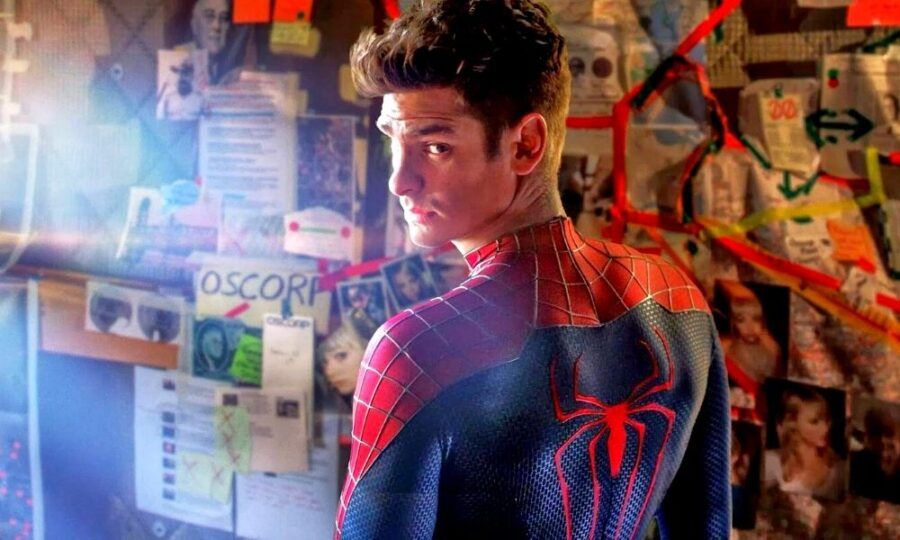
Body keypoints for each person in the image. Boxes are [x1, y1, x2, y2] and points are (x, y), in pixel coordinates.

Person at [337, 1, 731, 538]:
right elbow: (708, 528)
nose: (399, 180)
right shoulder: (679, 300)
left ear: (525, 145)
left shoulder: (415, 349)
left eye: (435, 146)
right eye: (393, 139)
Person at [764, 386, 844, 499]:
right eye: (814, 421)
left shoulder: (839, 469)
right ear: (793, 423)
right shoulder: (771, 461)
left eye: (827, 420)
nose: (826, 428)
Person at [717, 280, 781, 383]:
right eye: (741, 320)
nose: (750, 327)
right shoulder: (724, 349)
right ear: (734, 323)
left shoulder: (773, 349)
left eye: (756, 319)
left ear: (763, 321)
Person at [849, 406, 900, 503]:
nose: (882, 440)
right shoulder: (856, 461)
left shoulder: (855, 460)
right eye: (876, 434)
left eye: (887, 434)